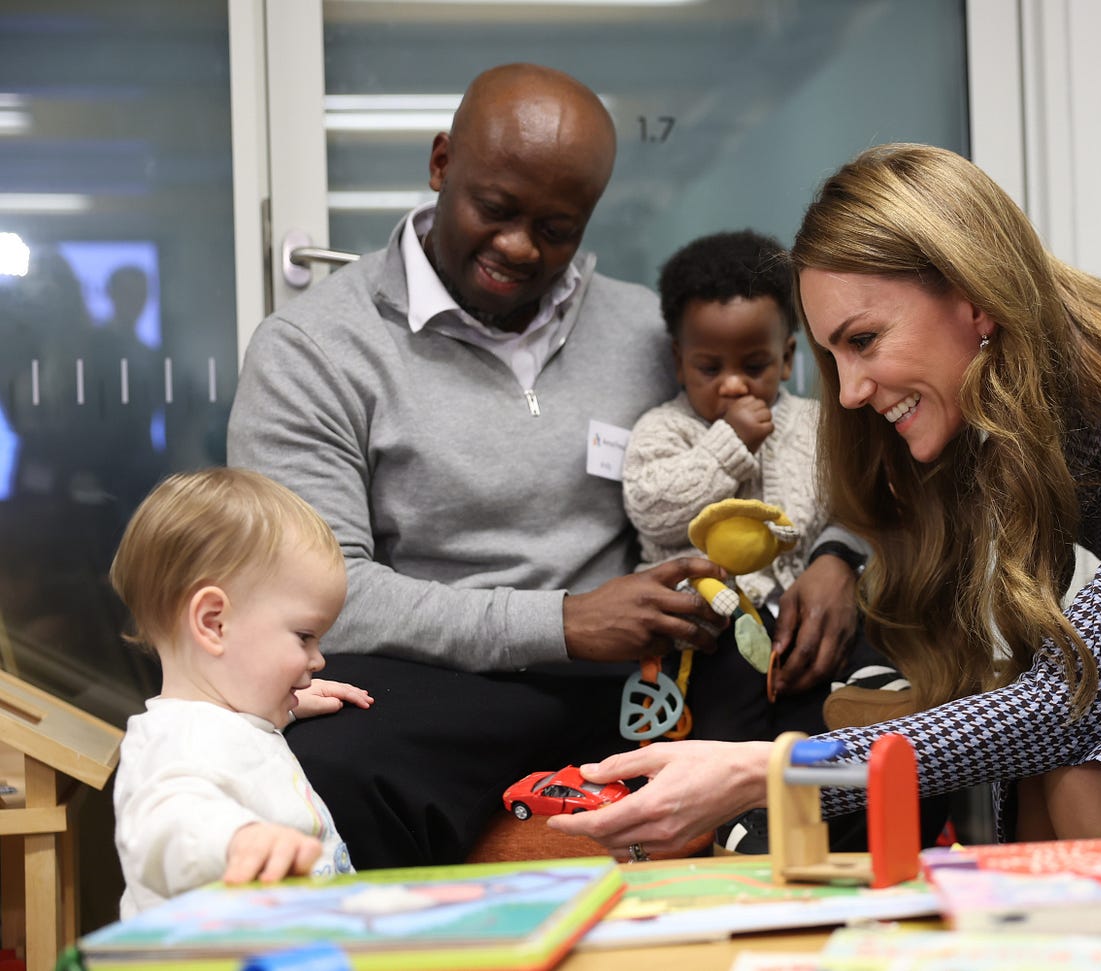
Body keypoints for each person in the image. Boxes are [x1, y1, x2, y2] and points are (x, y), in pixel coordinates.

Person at [551, 143, 1101, 863]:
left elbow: (1070, 697)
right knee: (1063, 726)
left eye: (864, 341)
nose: (853, 389)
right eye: (831, 358)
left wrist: (769, 771)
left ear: (975, 299)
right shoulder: (1009, 410)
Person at [227, 64, 856, 868]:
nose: (520, 247)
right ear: (441, 164)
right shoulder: (315, 349)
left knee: (848, 717)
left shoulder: (652, 333)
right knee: (330, 767)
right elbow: (318, 599)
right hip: (441, 678)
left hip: (650, 666)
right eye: (495, 209)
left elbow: (809, 447)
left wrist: (839, 552)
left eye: (558, 227)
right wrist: (564, 621)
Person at [623, 228, 903, 742]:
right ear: (678, 362)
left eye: (755, 366)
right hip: (714, 622)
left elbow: (860, 505)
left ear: (789, 357)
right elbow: (652, 509)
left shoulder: (818, 424)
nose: (733, 383)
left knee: (851, 650)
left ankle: (875, 690)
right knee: (730, 712)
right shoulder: (663, 429)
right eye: (710, 367)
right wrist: (728, 443)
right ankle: (741, 812)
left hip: (803, 611)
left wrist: (833, 558)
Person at [108, 468, 374, 916]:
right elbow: (165, 824)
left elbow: (235, 747)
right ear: (214, 623)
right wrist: (237, 838)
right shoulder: (174, 740)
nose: (318, 659)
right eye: (304, 636)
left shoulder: (223, 720)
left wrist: (287, 707)